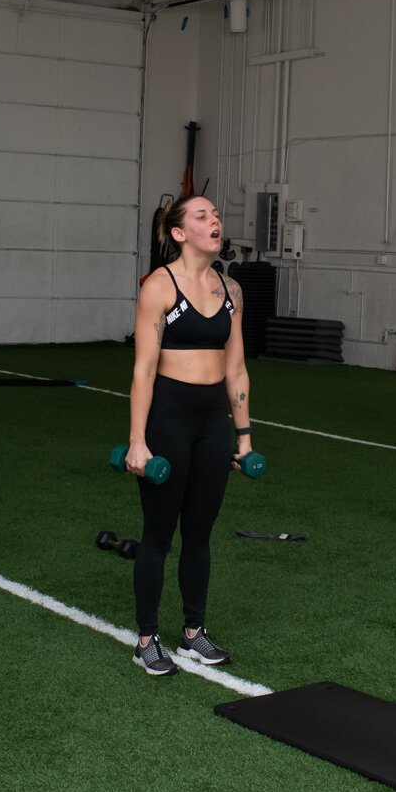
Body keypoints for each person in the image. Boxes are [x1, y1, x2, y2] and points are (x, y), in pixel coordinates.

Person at [125, 193, 252, 675]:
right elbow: (143, 369)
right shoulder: (159, 286)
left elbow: (236, 370)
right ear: (180, 233)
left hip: (211, 423)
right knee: (159, 534)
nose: (215, 221)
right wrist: (139, 440)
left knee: (199, 535)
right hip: (169, 418)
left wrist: (243, 435)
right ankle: (146, 638)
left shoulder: (232, 290)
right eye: (203, 216)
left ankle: (194, 632)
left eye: (216, 215)